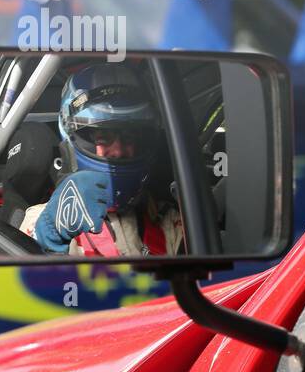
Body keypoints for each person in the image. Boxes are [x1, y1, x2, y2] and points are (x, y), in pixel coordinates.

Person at [19, 63, 185, 257]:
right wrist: (51, 236)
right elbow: (18, 281)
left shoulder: (169, 220)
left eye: (129, 137)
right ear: (74, 140)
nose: (118, 151)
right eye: (103, 137)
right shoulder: (44, 219)